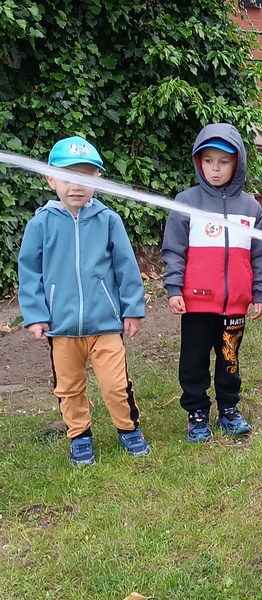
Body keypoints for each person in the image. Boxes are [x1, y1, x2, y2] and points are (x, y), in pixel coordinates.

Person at [18, 136, 149, 466]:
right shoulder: (40, 224)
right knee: (69, 387)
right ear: (51, 179)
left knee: (115, 385)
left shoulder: (109, 221)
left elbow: (126, 268)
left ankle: (128, 429)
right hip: (62, 328)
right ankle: (79, 435)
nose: (76, 185)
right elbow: (29, 272)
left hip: (106, 325)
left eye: (85, 176)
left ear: (98, 179)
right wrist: (35, 314)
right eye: (67, 176)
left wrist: (132, 310)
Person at [161, 123, 262, 442]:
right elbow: (174, 250)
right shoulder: (186, 201)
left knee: (229, 359)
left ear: (238, 163)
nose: (215, 168)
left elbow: (259, 255)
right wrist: (173, 288)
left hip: (235, 305)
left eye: (224, 161)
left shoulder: (251, 207)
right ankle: (197, 412)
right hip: (196, 304)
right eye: (208, 160)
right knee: (193, 361)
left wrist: (259, 292)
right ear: (199, 161)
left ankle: (229, 408)